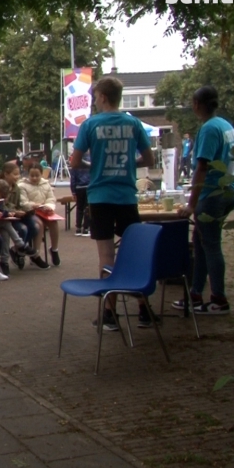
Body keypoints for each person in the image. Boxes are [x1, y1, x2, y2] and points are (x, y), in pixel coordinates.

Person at [70, 76, 155, 331]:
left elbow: (74, 162)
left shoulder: (90, 125)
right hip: (127, 196)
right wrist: (128, 164)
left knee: (106, 256)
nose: (95, 101)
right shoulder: (133, 123)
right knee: (134, 255)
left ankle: (110, 313)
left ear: (103, 97)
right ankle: (143, 310)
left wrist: (93, 165)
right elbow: (148, 158)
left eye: (96, 97)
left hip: (100, 197)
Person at [174, 86, 234, 315]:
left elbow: (202, 167)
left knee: (210, 244)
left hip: (213, 193)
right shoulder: (226, 126)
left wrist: (192, 204)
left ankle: (219, 299)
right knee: (200, 240)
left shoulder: (209, 129)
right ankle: (195, 294)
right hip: (229, 188)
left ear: (197, 104)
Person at [0, 161, 48, 269]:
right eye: (15, 174)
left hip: (16, 216)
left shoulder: (16, 187)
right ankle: (20, 251)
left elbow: (19, 203)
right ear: (6, 174)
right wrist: (16, 212)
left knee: (36, 226)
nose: (17, 177)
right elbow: (0, 205)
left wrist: (28, 209)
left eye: (18, 174)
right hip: (4, 218)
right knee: (23, 229)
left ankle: (17, 251)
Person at [0, 179, 38, 275]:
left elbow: (0, 210)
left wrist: (7, 213)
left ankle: (4, 261)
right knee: (6, 224)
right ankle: (20, 244)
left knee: (5, 233)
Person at [19, 163, 62, 266]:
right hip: (29, 212)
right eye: (32, 175)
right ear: (28, 174)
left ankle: (54, 249)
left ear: (41, 174)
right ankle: (35, 254)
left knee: (54, 223)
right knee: (39, 224)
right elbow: (22, 202)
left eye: (37, 175)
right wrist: (34, 205)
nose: (34, 178)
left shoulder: (46, 184)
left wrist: (49, 206)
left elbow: (51, 199)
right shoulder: (22, 185)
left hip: (44, 211)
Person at [70, 152, 91, 236]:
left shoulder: (75, 161)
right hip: (89, 187)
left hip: (78, 188)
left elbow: (73, 179)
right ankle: (86, 228)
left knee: (79, 208)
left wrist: (73, 191)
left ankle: (78, 228)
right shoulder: (91, 159)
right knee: (87, 207)